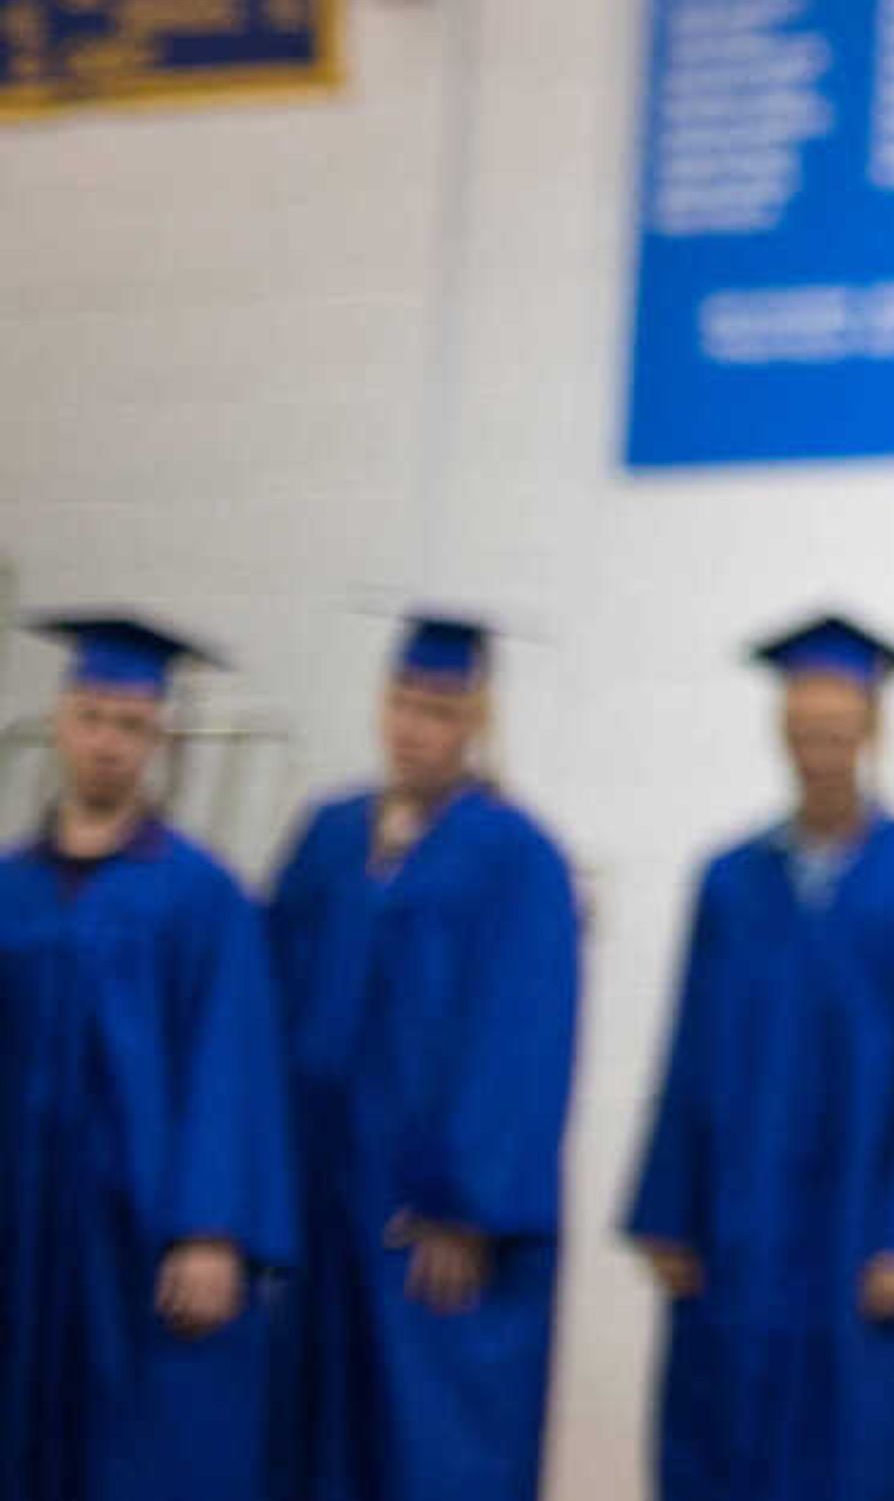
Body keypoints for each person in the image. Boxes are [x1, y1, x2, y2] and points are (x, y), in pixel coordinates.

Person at [624, 613, 894, 1501]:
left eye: (837, 731)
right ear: (779, 731)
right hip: (740, 1222)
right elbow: (688, 1048)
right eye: (804, 730)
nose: (820, 749)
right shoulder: (730, 879)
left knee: (869, 1450)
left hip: (864, 1223)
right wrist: (670, 1208)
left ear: (873, 732)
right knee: (726, 1436)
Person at [266, 612, 582, 1501]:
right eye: (403, 703)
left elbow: (524, 1041)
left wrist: (465, 1204)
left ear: (478, 719)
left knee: (432, 1449)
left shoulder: (520, 857)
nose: (416, 727)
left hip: (431, 1222)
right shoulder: (328, 836)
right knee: (314, 1438)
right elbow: (270, 1007)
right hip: (324, 1205)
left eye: (440, 707)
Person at [0, 612, 298, 1499]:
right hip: (22, 1231)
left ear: (157, 738)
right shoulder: (10, 889)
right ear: (60, 720)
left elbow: (231, 1073)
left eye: (129, 726)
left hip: (137, 1242)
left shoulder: (203, 896)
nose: (106, 744)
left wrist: (210, 1231)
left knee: (143, 1452)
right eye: (91, 717)